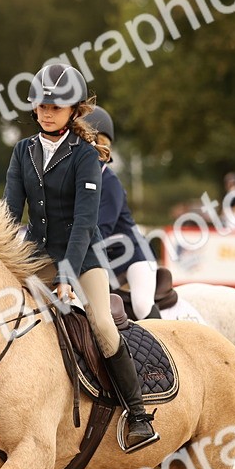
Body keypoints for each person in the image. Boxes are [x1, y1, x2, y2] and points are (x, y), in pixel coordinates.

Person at [3, 64, 159, 453]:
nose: (45, 112)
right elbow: (9, 212)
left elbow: (86, 222)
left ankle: (137, 415)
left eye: (55, 106)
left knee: (103, 325)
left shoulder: (85, 155)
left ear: (74, 110)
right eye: (40, 105)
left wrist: (68, 274)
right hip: (36, 257)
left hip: (83, 259)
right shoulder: (23, 151)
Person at [82, 106, 160, 320]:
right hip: (107, 259)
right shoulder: (76, 181)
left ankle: (166, 346)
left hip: (134, 255)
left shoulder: (110, 183)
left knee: (142, 304)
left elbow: (102, 230)